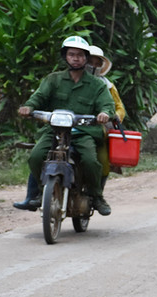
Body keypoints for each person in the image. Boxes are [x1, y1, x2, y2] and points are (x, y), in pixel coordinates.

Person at [15, 35, 115, 215]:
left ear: (86, 58)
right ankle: (39, 192)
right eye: (71, 54)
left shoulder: (97, 85)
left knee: (91, 161)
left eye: (80, 55)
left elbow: (107, 105)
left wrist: (104, 113)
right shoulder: (53, 79)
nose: (76, 58)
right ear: (65, 57)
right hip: (54, 130)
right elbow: (38, 97)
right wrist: (29, 107)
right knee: (36, 156)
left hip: (84, 132)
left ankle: (96, 197)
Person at [88, 45, 126, 178]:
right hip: (73, 123)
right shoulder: (71, 80)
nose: (93, 66)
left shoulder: (107, 85)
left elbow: (119, 106)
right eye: (90, 62)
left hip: (100, 126)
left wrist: (113, 115)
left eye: (97, 63)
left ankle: (98, 191)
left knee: (103, 160)